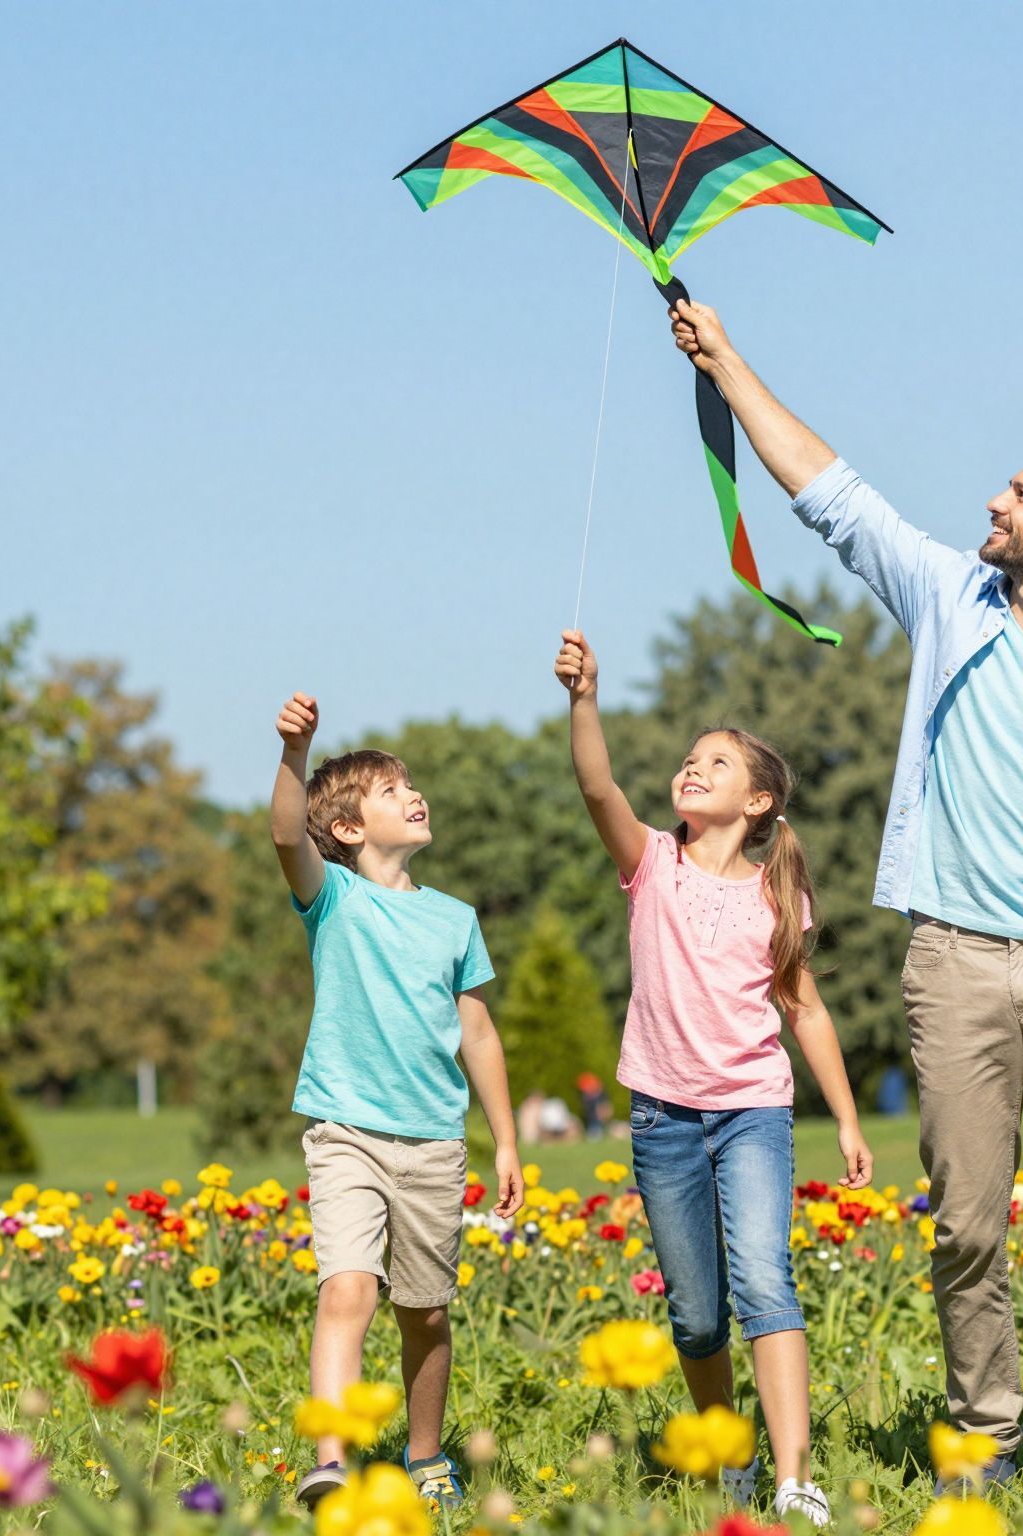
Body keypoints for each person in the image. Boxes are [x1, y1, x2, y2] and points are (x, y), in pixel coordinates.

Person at [668, 300, 1023, 1518]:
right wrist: (724, 361)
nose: (993, 501)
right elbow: (827, 492)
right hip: (954, 958)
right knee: (967, 1225)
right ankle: (983, 1432)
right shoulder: (947, 600)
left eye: (1018, 494)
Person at [555, 630, 874, 1528]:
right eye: (690, 759)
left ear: (758, 800)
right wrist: (585, 698)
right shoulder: (651, 863)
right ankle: (730, 1459)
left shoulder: (779, 896)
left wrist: (848, 1120)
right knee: (697, 1318)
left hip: (752, 1114)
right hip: (662, 1118)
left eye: (717, 762)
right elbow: (597, 786)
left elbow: (806, 1011)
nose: (692, 768)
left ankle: (795, 1481)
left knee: (767, 1284)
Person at [269, 692, 524, 1512]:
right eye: (392, 790)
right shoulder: (334, 899)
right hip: (346, 1132)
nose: (414, 795)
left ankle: (425, 1454)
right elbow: (286, 834)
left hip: (434, 1143)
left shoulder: (455, 920)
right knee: (347, 1290)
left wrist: (506, 1141)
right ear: (348, 829)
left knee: (425, 1315)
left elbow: (477, 1033)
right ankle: (332, 1461)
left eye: (411, 785)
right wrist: (295, 753)